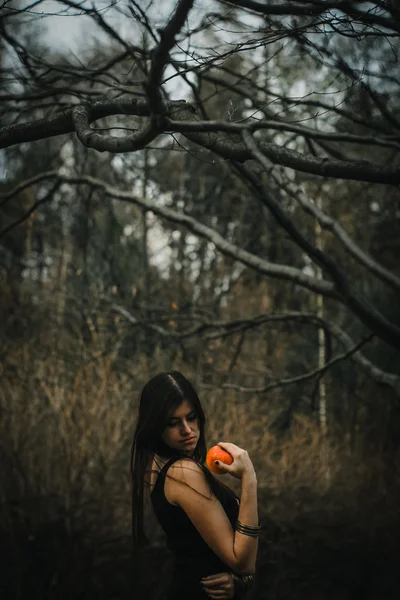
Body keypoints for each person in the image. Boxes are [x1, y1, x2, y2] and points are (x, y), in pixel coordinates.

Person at [131, 371, 260, 600]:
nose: (187, 430)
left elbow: (200, 553)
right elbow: (242, 561)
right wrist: (249, 478)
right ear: (155, 426)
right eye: (173, 423)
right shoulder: (183, 472)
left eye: (191, 417)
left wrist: (240, 583)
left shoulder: (155, 466)